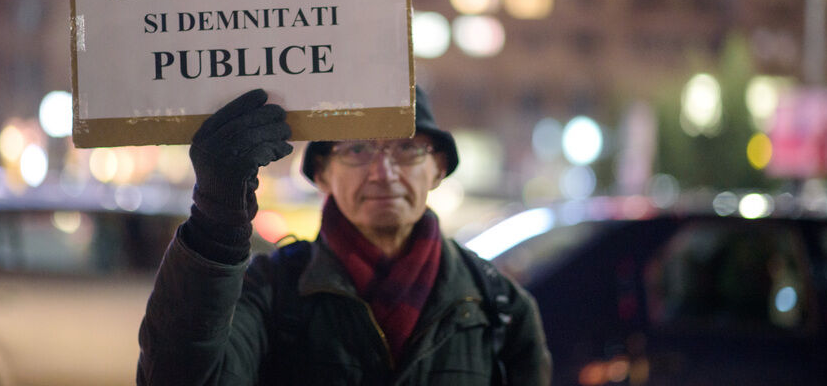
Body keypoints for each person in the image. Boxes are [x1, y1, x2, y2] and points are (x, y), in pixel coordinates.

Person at [137, 87, 552, 385]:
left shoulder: (499, 306)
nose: (383, 172)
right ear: (322, 174)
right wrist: (215, 223)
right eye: (356, 150)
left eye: (407, 149)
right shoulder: (269, 291)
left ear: (438, 169)